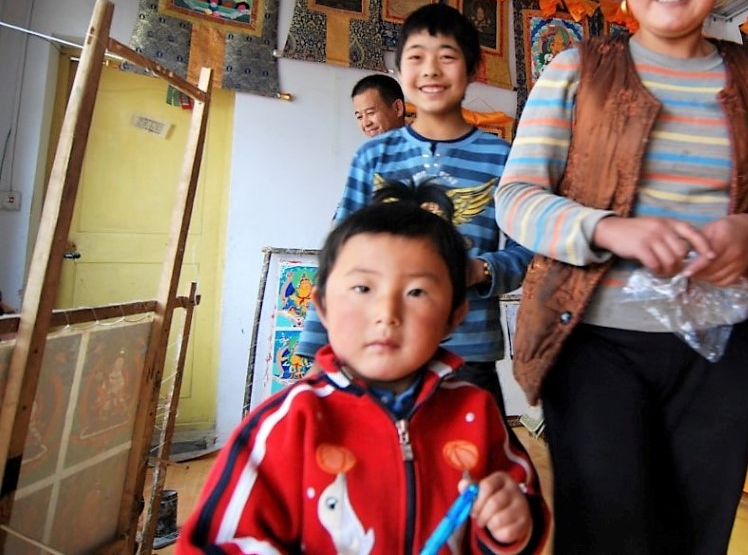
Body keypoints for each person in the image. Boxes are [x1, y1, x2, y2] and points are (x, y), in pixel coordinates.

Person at [495, 0, 748, 553]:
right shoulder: (576, 70)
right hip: (594, 344)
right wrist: (609, 228)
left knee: (697, 533)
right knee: (605, 532)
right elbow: (516, 198)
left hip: (721, 349)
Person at [177, 183, 548, 553]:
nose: (387, 314)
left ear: (453, 318)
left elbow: (517, 504)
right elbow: (217, 542)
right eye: (362, 289)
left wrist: (510, 527)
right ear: (322, 307)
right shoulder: (288, 423)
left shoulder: (476, 412)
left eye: (416, 292)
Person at [297, 3, 533, 413]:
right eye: (416, 57)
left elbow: (527, 251)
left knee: (471, 465)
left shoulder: (503, 157)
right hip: (377, 342)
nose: (430, 70)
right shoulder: (374, 156)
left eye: (447, 57)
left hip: (467, 352)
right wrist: (316, 346)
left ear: (474, 69)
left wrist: (481, 269)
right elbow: (338, 256)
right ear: (401, 72)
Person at [351, 73, 406, 138]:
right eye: (360, 117)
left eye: (370, 113)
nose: (366, 124)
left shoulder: (418, 144)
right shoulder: (370, 147)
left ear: (398, 108)